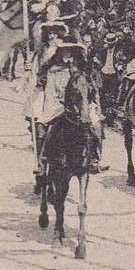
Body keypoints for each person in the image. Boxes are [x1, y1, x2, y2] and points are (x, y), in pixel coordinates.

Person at [30, 41, 105, 174]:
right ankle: (42, 160)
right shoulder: (53, 70)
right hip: (56, 105)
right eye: (64, 50)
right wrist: (57, 106)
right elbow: (50, 91)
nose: (67, 54)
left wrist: (94, 107)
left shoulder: (83, 70)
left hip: (81, 106)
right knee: (42, 130)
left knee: (97, 125)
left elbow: (92, 90)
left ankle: (96, 158)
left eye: (70, 50)